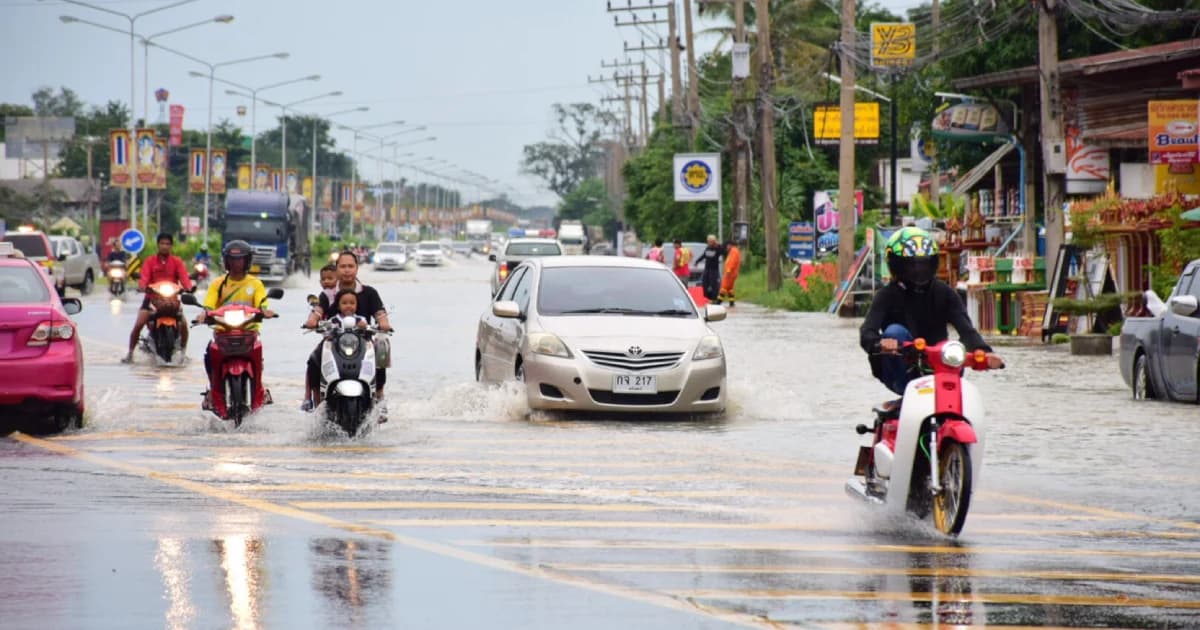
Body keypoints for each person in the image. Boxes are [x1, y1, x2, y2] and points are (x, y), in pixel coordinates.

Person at [859, 227, 1003, 403]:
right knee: (894, 331)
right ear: (896, 264)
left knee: (954, 346)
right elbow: (867, 332)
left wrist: (985, 353)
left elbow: (967, 331)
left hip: (940, 365)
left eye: (924, 264)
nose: (918, 270)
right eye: (912, 264)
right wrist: (880, 343)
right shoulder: (885, 295)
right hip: (900, 370)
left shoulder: (946, 293)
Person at [303, 250, 393, 411]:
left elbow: (380, 313)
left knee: (382, 347)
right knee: (314, 359)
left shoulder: (369, 292)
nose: (347, 270)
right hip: (334, 341)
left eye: (350, 266)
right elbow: (317, 311)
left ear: (357, 268)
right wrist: (312, 321)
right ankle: (314, 401)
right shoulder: (328, 294)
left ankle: (379, 395)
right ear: (336, 269)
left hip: (364, 341)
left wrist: (384, 323)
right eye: (343, 266)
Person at [196, 240, 275, 384]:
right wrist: (204, 314)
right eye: (232, 259)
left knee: (258, 351)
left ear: (247, 261)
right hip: (223, 331)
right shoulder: (217, 283)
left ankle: (259, 388)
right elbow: (209, 305)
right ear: (227, 261)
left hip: (248, 331)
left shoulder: (256, 284)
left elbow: (261, 303)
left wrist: (265, 312)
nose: (236, 263)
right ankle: (213, 390)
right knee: (209, 354)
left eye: (240, 259)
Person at [124, 233, 193, 363]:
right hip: (152, 298)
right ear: (158, 245)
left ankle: (183, 353)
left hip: (172, 300)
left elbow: (184, 277)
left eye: (167, 244)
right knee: (139, 324)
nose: (165, 246)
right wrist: (143, 286)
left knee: (184, 325)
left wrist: (188, 288)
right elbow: (144, 277)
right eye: (162, 243)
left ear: (171, 246)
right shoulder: (150, 261)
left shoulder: (177, 262)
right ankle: (130, 354)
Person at [700, 235, 723, 301]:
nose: (709, 243)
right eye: (708, 241)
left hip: (714, 270)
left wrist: (718, 245)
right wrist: (697, 261)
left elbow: (722, 251)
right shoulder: (707, 248)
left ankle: (714, 298)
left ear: (713, 241)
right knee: (705, 283)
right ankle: (707, 297)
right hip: (707, 269)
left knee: (714, 284)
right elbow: (704, 255)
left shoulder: (717, 248)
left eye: (710, 241)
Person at [718, 238, 741, 306]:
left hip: (730, 273)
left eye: (727, 246)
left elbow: (732, 262)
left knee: (724, 286)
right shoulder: (734, 251)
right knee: (730, 288)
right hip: (732, 272)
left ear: (730, 245)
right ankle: (731, 302)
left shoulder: (733, 251)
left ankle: (718, 301)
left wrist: (728, 270)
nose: (726, 248)